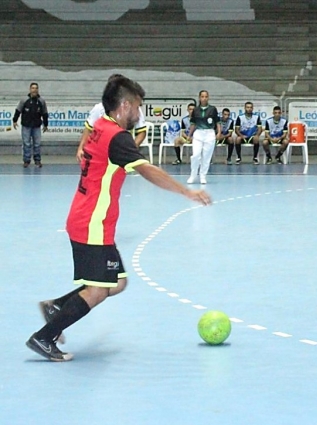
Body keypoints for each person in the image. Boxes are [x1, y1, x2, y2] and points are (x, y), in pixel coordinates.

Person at [26, 75, 211, 362]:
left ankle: (56, 307)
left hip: (91, 219)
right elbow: (148, 170)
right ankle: (44, 337)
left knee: (117, 283)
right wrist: (186, 191)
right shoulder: (117, 138)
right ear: (124, 106)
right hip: (92, 223)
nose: (139, 113)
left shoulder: (100, 126)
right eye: (137, 106)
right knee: (99, 289)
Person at [76, 74, 148, 163]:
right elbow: (88, 129)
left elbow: (142, 132)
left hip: (122, 150)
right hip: (100, 155)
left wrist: (130, 151)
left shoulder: (134, 109)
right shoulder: (98, 108)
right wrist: (80, 148)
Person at [186, 90, 220, 184]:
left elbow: (217, 121)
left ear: (208, 97)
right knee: (196, 155)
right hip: (198, 134)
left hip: (209, 134)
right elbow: (193, 123)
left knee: (206, 156)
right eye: (202, 96)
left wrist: (219, 132)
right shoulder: (196, 110)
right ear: (199, 97)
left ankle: (203, 176)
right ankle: (193, 174)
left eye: (206, 96)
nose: (204, 98)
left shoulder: (213, 109)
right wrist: (189, 135)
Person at [13, 82, 49, 168]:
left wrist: (45, 124)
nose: (34, 90)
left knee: (37, 144)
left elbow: (45, 113)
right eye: (33, 88)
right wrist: (14, 120)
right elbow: (18, 111)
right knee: (26, 144)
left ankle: (37, 160)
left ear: (38, 90)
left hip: (36, 126)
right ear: (30, 89)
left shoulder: (41, 101)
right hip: (26, 126)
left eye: (36, 88)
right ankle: (26, 161)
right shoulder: (24, 100)